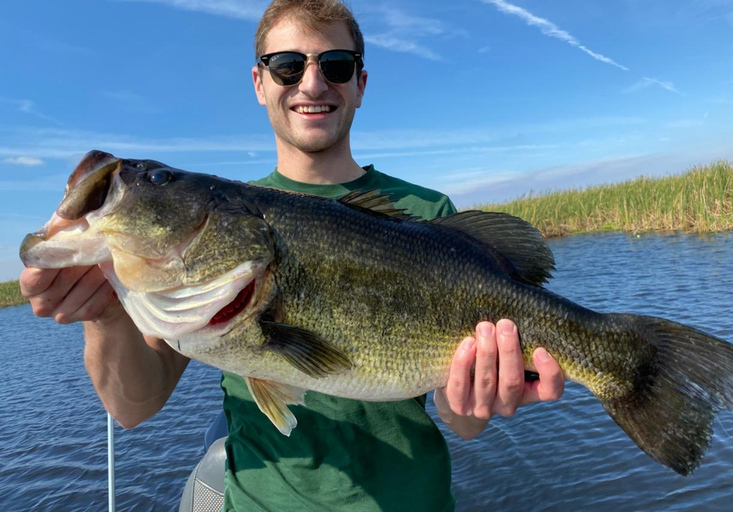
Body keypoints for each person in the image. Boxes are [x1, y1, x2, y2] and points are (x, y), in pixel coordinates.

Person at [20, 0, 564, 510]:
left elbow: (463, 422)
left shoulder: (427, 213)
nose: (311, 82)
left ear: (360, 83)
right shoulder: (207, 247)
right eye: (286, 65)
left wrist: (480, 397)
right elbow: (133, 407)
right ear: (259, 83)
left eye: (336, 65)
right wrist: (106, 313)